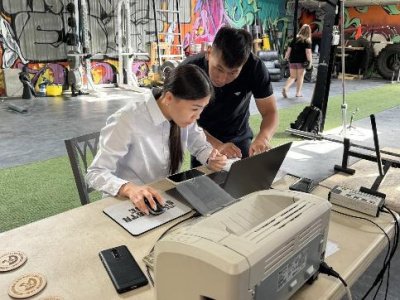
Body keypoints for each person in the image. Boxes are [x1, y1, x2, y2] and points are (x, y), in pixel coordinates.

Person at [86, 64, 226, 214]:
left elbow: (200, 146)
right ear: (169, 98)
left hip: (163, 196)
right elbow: (95, 173)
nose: (197, 116)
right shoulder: (128, 119)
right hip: (127, 202)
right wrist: (128, 188)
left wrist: (211, 157)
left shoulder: (182, 116)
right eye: (194, 109)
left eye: (202, 109)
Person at [181, 26, 279, 168]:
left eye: (232, 73)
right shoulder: (190, 70)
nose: (222, 78)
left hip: (239, 135)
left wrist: (263, 138)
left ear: (243, 65)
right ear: (209, 52)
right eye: (218, 69)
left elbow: (270, 112)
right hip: (202, 138)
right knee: (204, 185)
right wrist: (216, 145)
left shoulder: (255, 68)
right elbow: (184, 121)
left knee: (245, 183)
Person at [282, 24, 313, 98]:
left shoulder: (294, 39)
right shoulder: (307, 41)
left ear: (301, 30)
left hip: (292, 61)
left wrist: (286, 58)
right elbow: (308, 53)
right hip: (301, 62)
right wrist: (310, 62)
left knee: (292, 76)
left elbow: (288, 51)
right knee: (300, 77)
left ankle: (286, 88)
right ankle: (298, 93)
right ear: (308, 32)